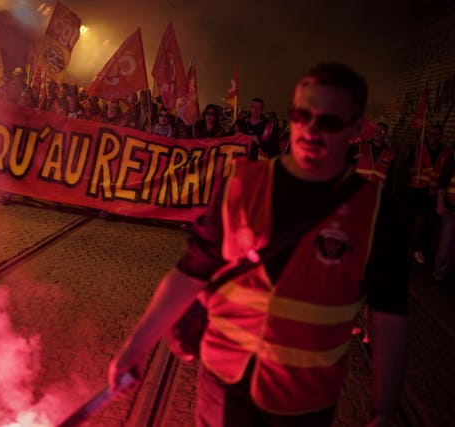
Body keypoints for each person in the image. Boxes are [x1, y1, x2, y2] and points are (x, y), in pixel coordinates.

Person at [109, 63, 408, 427]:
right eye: (302, 115)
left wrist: (384, 410)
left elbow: (389, 316)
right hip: (224, 381)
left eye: (329, 122)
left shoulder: (377, 211)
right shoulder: (242, 183)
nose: (311, 130)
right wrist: (136, 346)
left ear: (356, 129)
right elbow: (192, 270)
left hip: (303, 399)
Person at [406, 123, 453, 264]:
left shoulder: (447, 152)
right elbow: (405, 168)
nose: (433, 136)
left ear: (441, 135)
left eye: (436, 134)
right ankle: (409, 246)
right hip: (416, 190)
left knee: (429, 222)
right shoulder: (418, 149)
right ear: (426, 134)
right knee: (412, 221)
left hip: (434, 193)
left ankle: (419, 249)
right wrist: (414, 169)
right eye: (430, 133)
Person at [434, 153, 455, 288]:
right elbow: (442, 182)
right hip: (451, 209)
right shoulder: (452, 161)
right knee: (445, 248)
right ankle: (439, 276)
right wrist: (440, 202)